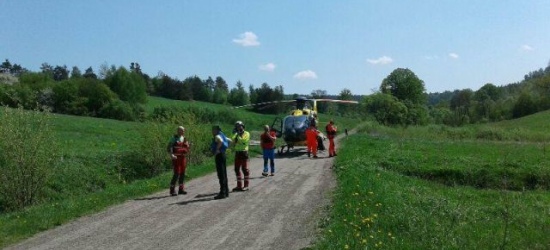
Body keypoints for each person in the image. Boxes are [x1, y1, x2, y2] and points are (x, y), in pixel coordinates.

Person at [167, 126, 190, 196]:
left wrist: (189, 146)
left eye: (183, 130)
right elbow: (169, 147)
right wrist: (171, 155)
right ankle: (172, 190)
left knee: (182, 173)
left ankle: (181, 189)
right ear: (178, 131)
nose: (183, 132)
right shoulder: (173, 138)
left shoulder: (184, 138)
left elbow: (186, 147)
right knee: (176, 174)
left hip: (183, 158)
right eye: (182, 130)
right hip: (176, 158)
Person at [211, 125, 231, 199]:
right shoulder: (222, 135)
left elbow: (221, 141)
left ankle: (222, 192)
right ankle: (226, 191)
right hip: (223, 155)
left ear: (216, 130)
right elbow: (230, 141)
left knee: (221, 174)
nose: (212, 131)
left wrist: (217, 150)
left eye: (213, 129)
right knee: (224, 173)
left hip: (219, 155)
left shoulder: (217, 136)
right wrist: (225, 149)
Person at [231, 121, 251, 191]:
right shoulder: (236, 134)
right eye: (237, 126)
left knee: (244, 169)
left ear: (243, 126)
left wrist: (238, 137)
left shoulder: (247, 133)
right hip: (237, 152)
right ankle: (239, 186)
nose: (238, 127)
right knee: (236, 169)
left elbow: (243, 141)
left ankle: (246, 185)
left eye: (240, 126)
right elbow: (233, 141)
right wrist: (236, 135)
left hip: (244, 152)